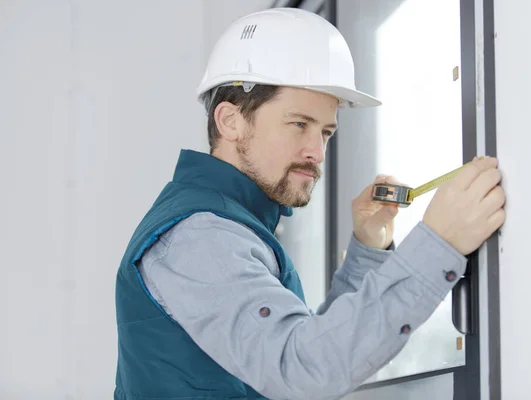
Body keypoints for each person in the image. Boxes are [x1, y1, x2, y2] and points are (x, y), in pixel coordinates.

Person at [113, 7, 505, 400]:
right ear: (230, 121)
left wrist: (368, 252)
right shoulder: (201, 236)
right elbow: (303, 372)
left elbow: (303, 348)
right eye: (299, 124)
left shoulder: (230, 225)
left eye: (326, 132)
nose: (316, 152)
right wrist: (439, 244)